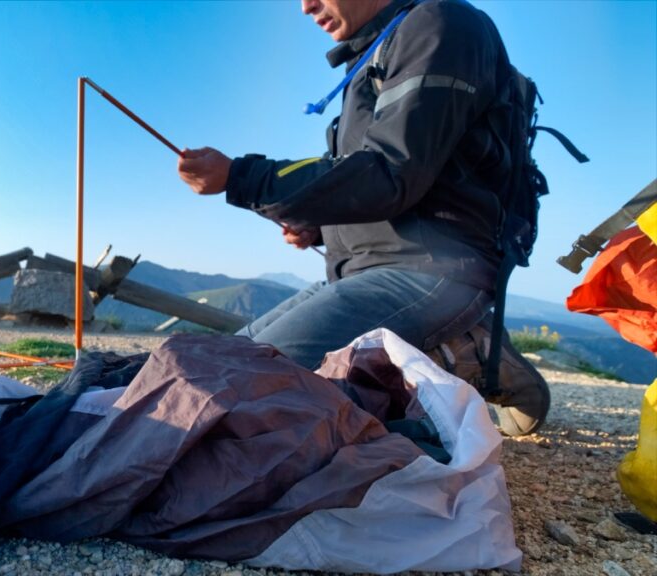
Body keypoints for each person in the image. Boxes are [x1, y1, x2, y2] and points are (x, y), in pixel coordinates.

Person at [177, 0, 550, 435]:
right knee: (223, 361)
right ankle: (450, 345)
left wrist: (242, 177)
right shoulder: (381, 48)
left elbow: (391, 170)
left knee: (237, 387)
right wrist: (320, 225)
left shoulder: (438, 24)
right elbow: (388, 174)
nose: (305, 7)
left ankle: (463, 353)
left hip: (432, 270)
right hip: (364, 271)